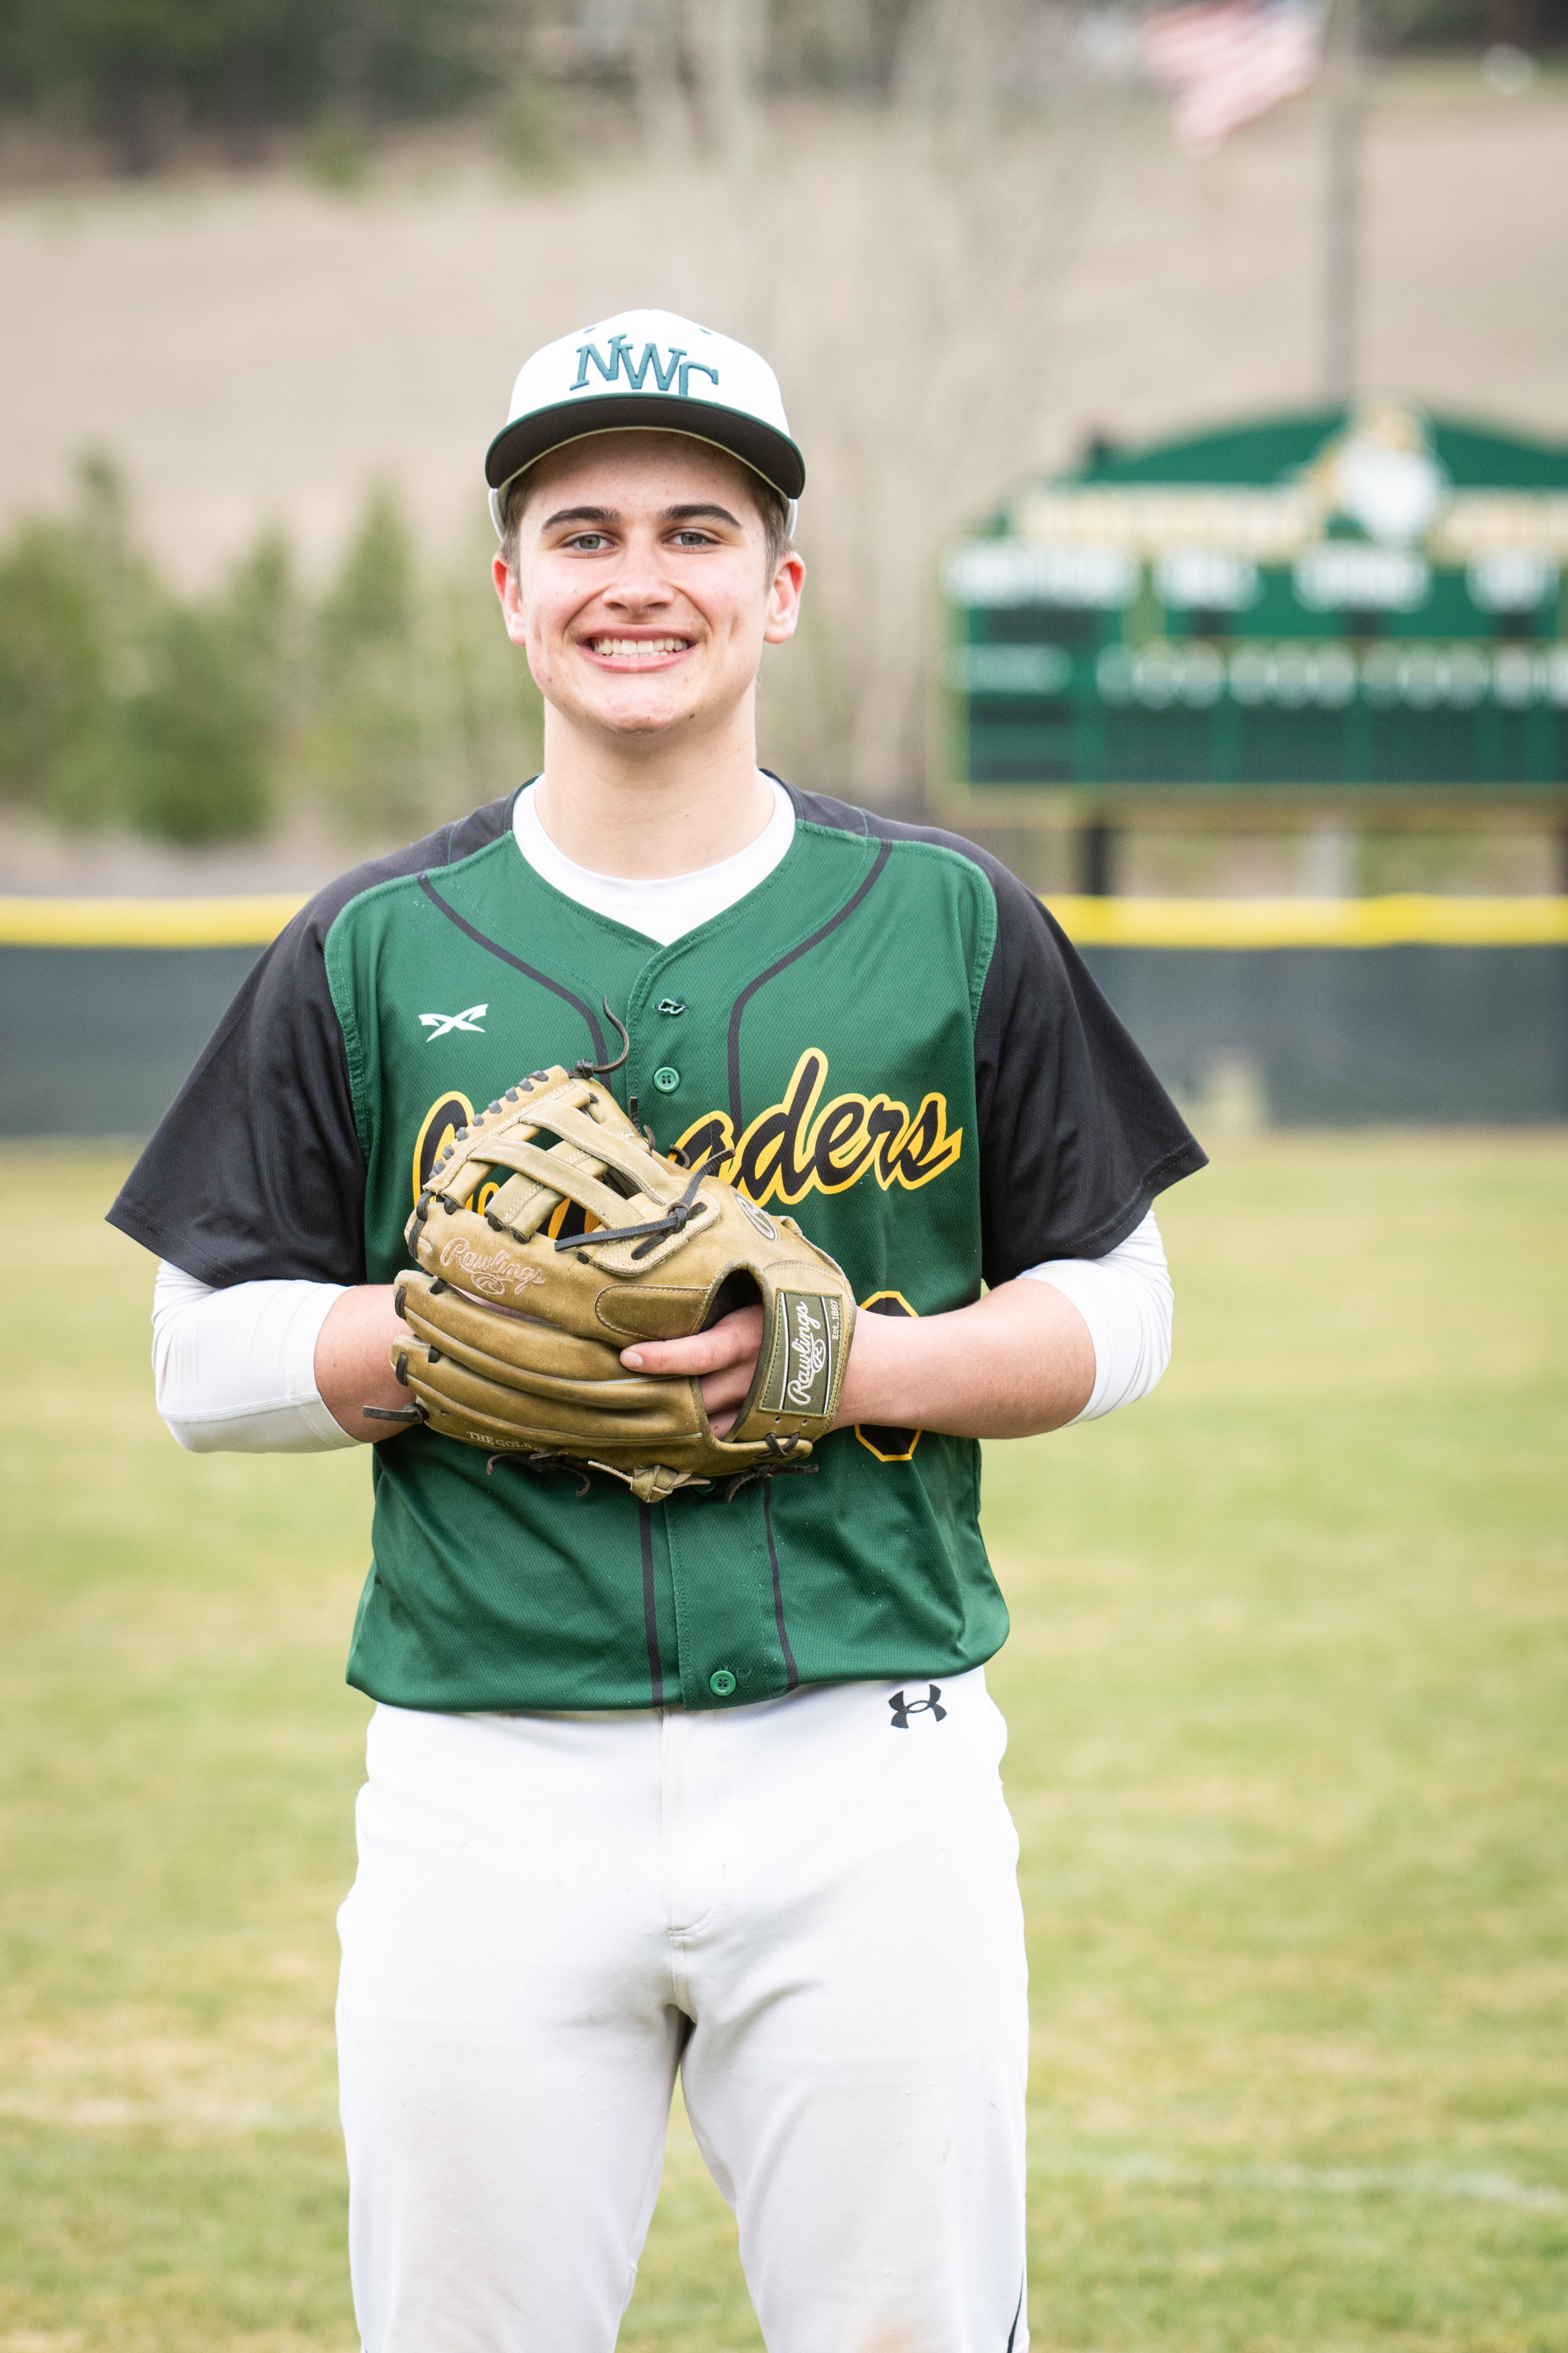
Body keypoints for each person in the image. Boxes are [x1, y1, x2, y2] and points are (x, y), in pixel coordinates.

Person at [110, 307, 1206, 2353]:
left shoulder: (948, 918)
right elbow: (199, 1364)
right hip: (486, 1771)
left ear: (778, 590)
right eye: (583, 532)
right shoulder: (372, 944)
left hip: (868, 1759)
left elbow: (1121, 1312)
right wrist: (450, 1338)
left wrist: (845, 1365)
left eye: (697, 533)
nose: (639, 579)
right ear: (508, 589)